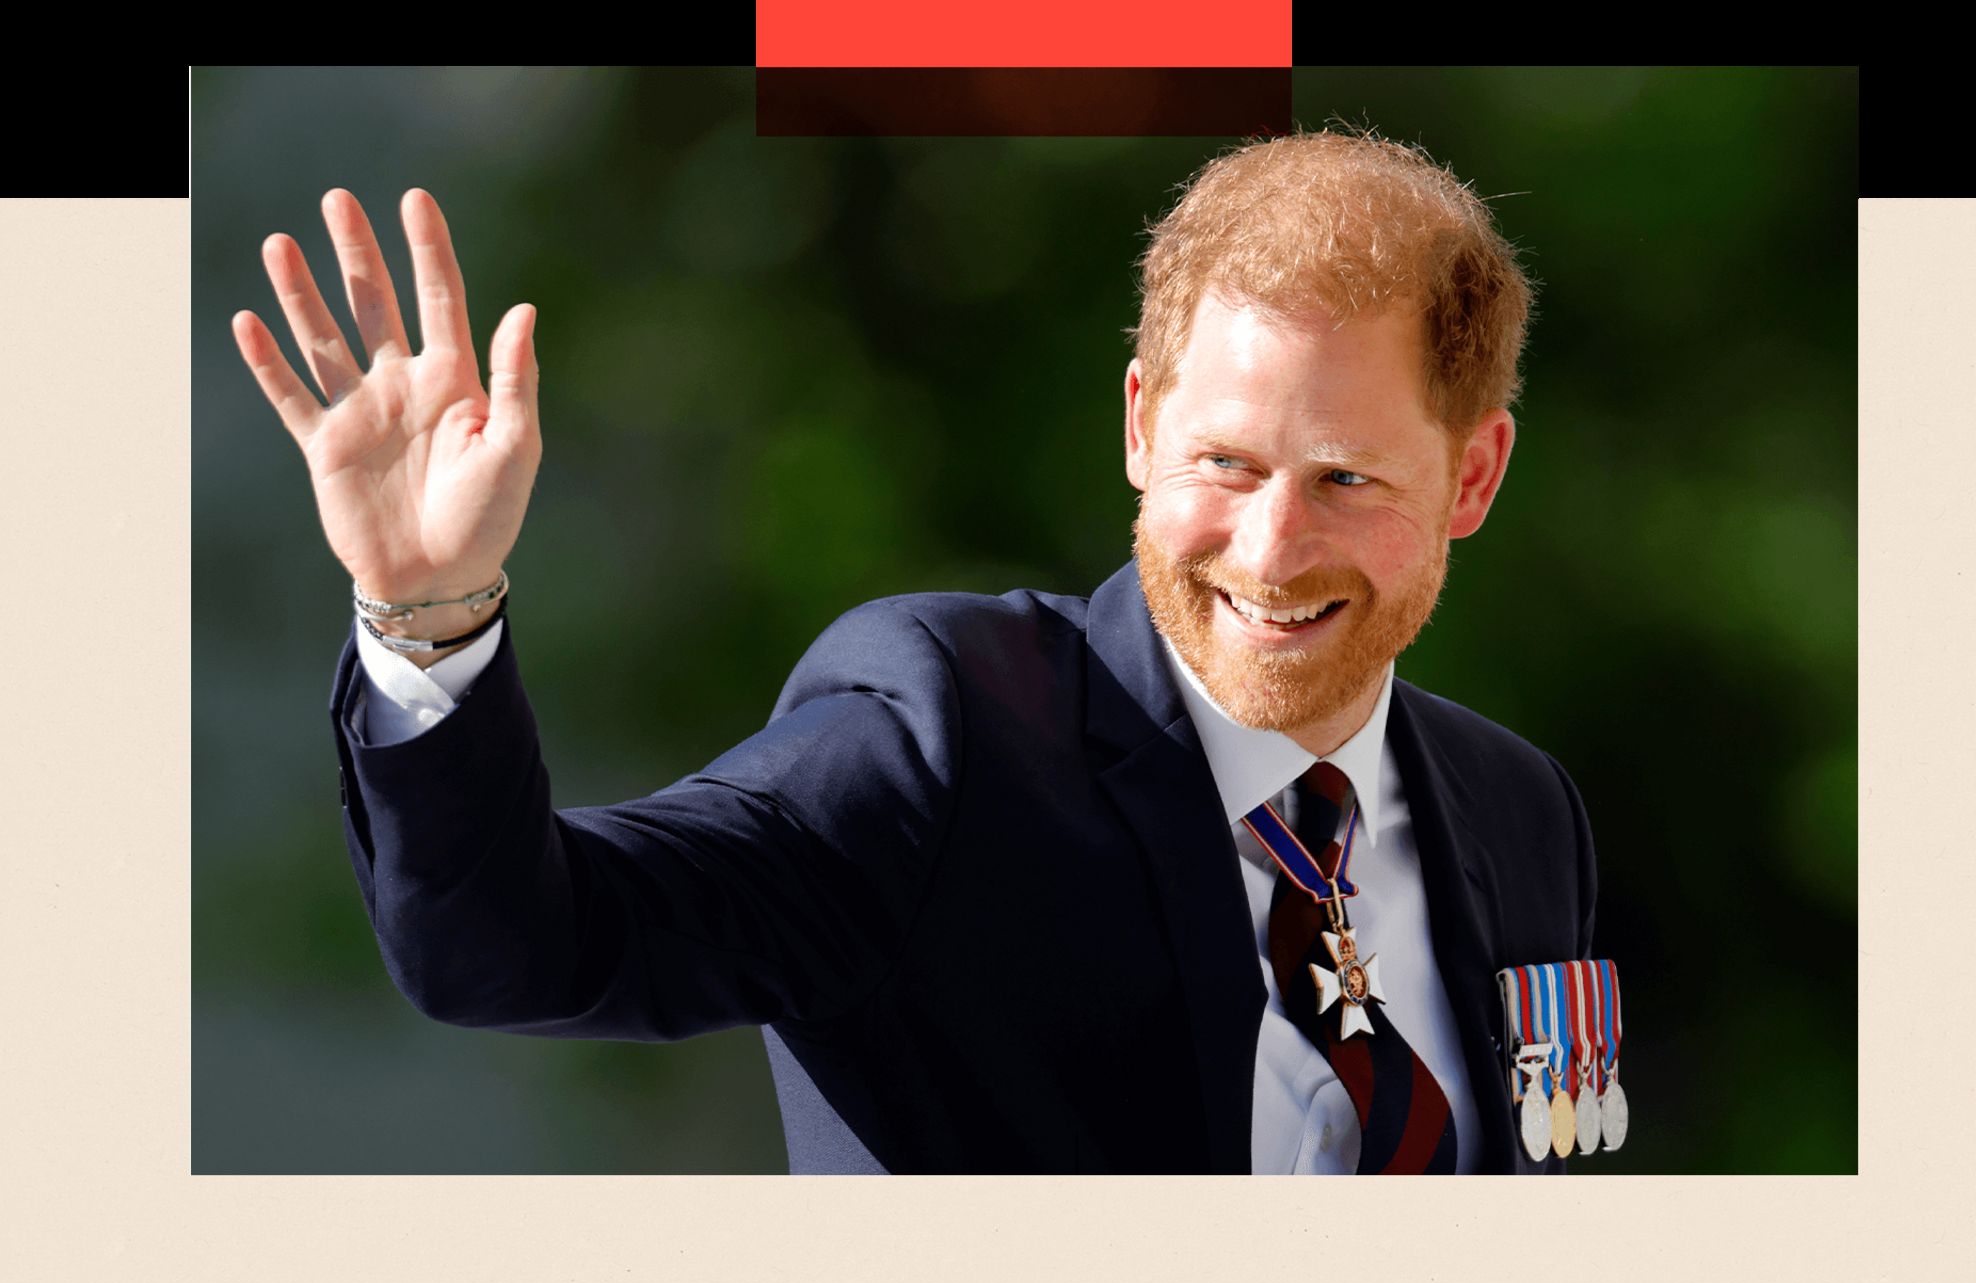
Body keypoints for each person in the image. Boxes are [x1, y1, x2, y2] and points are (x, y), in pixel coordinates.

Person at [232, 128, 1598, 1174]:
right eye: (1223, 462)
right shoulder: (943, 734)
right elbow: (519, 950)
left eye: (1348, 478)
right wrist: (435, 615)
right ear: (1138, 423)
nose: (1272, 545)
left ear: (1474, 476)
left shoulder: (1520, 811)